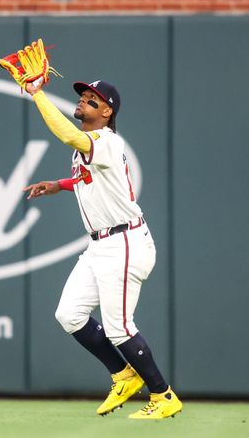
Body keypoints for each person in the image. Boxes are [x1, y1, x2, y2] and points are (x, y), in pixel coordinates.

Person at [21, 77, 183, 420]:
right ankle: (124, 375)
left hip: (124, 241)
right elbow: (89, 178)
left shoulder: (106, 141)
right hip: (100, 245)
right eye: (83, 96)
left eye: (92, 99)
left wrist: (37, 95)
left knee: (119, 327)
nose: (83, 101)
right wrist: (58, 185)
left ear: (107, 112)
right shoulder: (91, 145)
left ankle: (163, 394)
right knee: (69, 314)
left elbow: (69, 135)